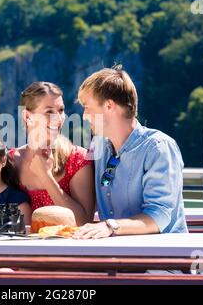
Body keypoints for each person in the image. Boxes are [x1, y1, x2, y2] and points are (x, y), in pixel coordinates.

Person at [73, 65, 188, 239]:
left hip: (162, 260)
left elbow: (159, 217)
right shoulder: (97, 147)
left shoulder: (158, 147)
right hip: (114, 260)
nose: (84, 116)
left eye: (87, 107)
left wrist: (110, 226)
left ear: (109, 106)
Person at [8, 82, 95, 226]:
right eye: (49, 112)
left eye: (60, 111)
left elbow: (84, 222)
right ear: (27, 116)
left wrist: (46, 177)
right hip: (20, 248)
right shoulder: (10, 161)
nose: (58, 119)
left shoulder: (78, 159)